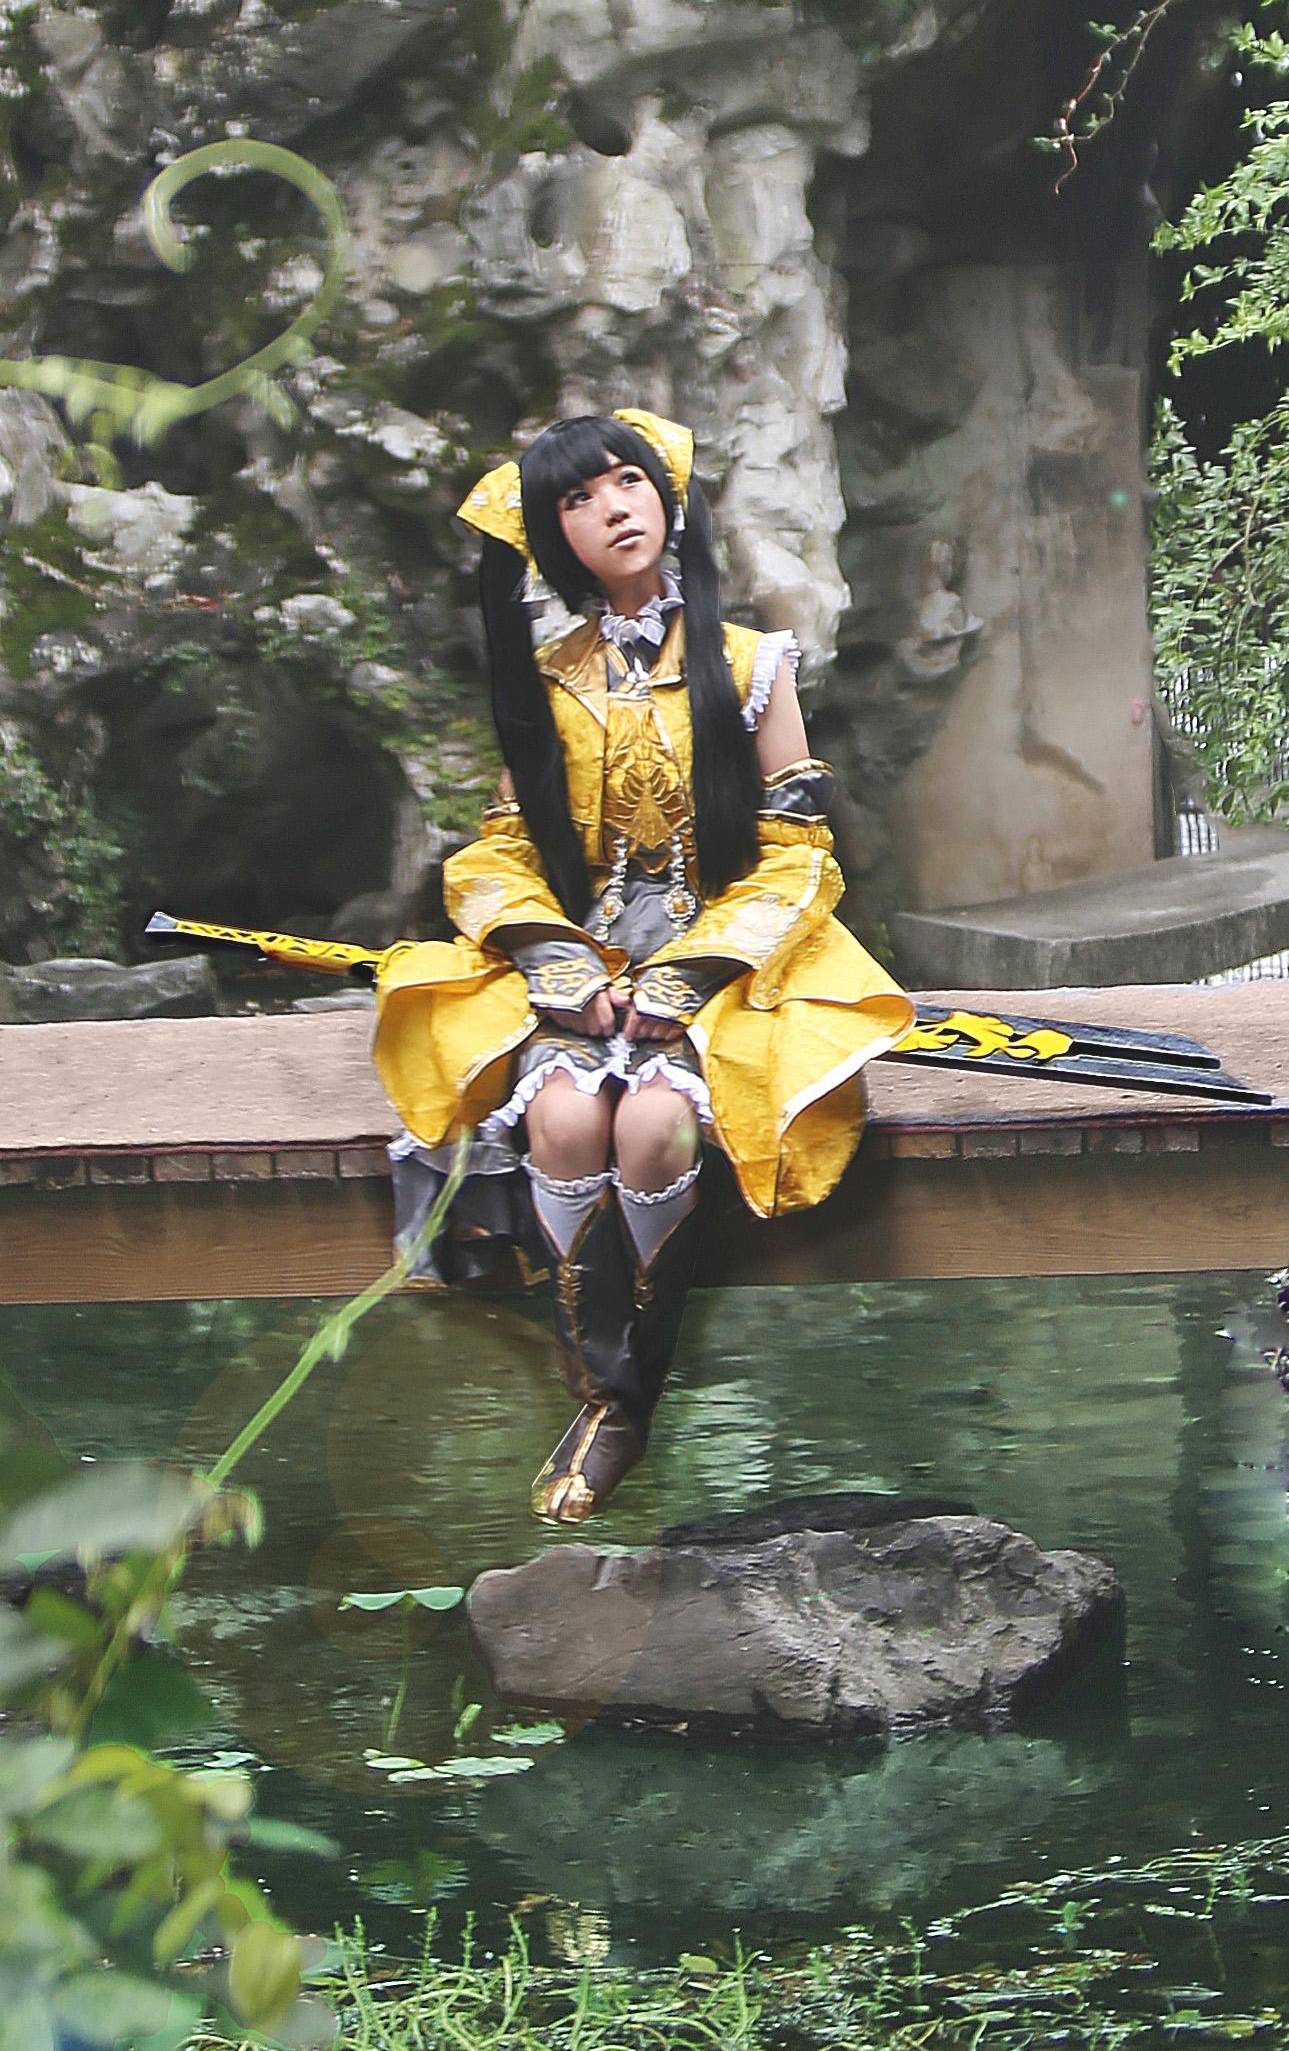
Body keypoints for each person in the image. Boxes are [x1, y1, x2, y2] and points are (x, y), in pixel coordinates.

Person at [369, 407, 911, 1520]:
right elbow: (502, 853)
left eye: (626, 481)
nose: (612, 507)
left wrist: (691, 972)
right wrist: (554, 957)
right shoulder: (546, 678)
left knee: (655, 1128)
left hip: (728, 973)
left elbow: (798, 854)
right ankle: (599, 1384)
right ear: (554, 537)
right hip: (584, 976)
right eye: (577, 498)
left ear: (665, 498)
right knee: (565, 1121)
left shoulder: (752, 665)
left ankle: (622, 1404)